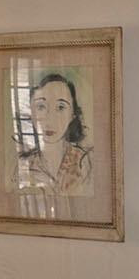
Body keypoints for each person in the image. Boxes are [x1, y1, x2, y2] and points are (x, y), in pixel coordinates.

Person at [16, 72, 92, 200]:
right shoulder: (24, 164)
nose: (50, 119)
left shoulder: (83, 162)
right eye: (41, 107)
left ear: (73, 115)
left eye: (60, 107)